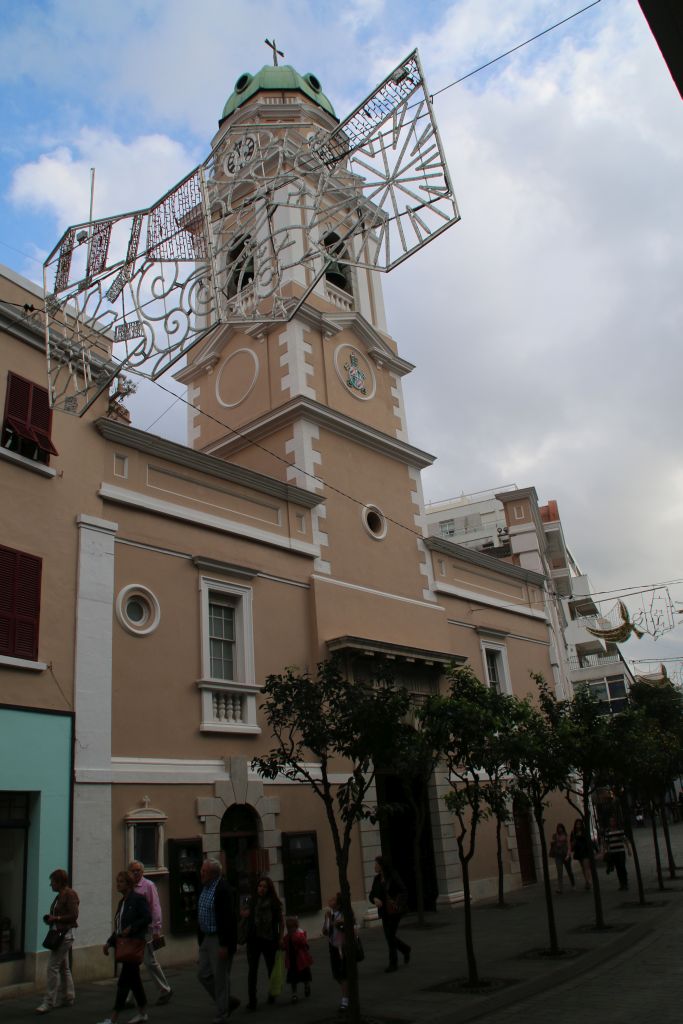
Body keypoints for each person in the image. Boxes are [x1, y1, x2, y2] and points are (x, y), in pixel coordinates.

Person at [98, 869, 151, 1024]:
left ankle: (113, 1019)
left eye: (121, 882)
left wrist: (132, 928)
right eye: (117, 881)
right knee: (135, 981)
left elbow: (147, 917)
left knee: (123, 982)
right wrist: (109, 942)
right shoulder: (122, 902)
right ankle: (142, 1012)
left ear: (129, 884)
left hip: (133, 945)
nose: (118, 884)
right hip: (124, 945)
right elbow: (119, 928)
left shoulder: (138, 899)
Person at [197, 858, 240, 1024]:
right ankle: (227, 1001)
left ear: (213, 874)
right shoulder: (204, 887)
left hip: (219, 937)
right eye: (202, 870)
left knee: (220, 977)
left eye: (204, 871)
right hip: (206, 936)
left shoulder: (223, 889)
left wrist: (224, 944)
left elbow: (228, 919)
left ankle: (223, 1012)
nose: (201, 873)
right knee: (203, 974)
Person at [35, 868, 80, 1014]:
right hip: (60, 933)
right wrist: (52, 919)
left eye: (52, 882)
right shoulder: (60, 896)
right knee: (63, 967)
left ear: (59, 882)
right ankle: (68, 996)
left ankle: (48, 1001)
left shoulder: (69, 894)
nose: (50, 885)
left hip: (65, 935)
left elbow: (74, 915)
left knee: (52, 967)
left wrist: (57, 918)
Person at [128, 860, 172, 1005]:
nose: (136, 873)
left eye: (138, 870)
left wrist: (156, 929)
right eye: (133, 870)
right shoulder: (130, 887)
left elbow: (155, 907)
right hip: (133, 930)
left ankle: (165, 989)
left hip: (146, 929)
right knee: (131, 963)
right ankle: (128, 997)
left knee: (149, 961)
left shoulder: (148, 885)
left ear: (142, 872)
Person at [240, 876, 284, 1011]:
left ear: (269, 889)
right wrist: (244, 913)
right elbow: (243, 912)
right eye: (260, 886)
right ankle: (252, 1000)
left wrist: (280, 938)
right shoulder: (252, 901)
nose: (262, 889)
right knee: (252, 970)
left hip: (269, 939)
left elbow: (280, 922)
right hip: (253, 939)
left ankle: (272, 993)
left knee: (271, 968)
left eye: (265, 886)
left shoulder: (274, 903)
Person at [369, 856, 411, 973]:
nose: (374, 866)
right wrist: (374, 899)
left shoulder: (393, 876)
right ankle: (405, 949)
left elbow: (403, 890)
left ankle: (393, 963)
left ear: (382, 866)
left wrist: (397, 902)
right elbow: (371, 895)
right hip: (384, 912)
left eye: (376, 864)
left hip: (394, 911)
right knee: (389, 936)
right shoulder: (377, 879)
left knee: (390, 936)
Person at [322, 893, 353, 1014]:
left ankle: (345, 1000)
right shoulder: (329, 914)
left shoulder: (343, 915)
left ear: (339, 904)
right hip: (333, 946)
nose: (330, 899)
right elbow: (325, 931)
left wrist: (335, 922)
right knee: (336, 974)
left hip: (342, 947)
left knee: (343, 973)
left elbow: (345, 928)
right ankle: (348, 990)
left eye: (334, 899)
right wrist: (327, 920)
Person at [283, 914, 312, 1003]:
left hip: (301, 960)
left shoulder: (299, 935)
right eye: (288, 928)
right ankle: (294, 993)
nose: (290, 930)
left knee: (305, 976)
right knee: (293, 979)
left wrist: (295, 937)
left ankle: (306, 986)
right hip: (292, 961)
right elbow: (285, 946)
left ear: (296, 927)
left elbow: (304, 944)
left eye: (291, 927)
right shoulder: (287, 937)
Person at [603, 815, 632, 891]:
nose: (612, 822)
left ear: (616, 822)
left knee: (622, 866)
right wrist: (605, 851)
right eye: (610, 821)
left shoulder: (620, 830)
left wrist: (629, 849)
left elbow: (625, 840)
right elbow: (606, 842)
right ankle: (621, 883)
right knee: (618, 868)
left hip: (620, 851)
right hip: (613, 851)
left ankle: (625, 883)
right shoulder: (608, 831)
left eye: (613, 821)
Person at [549, 823, 575, 893]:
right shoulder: (555, 836)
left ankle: (573, 884)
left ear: (563, 829)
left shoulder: (566, 836)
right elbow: (553, 842)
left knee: (569, 871)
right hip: (558, 855)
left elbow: (569, 846)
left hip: (565, 855)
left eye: (561, 828)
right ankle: (560, 888)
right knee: (559, 872)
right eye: (558, 828)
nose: (559, 829)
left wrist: (568, 855)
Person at [570, 818, 592, 890]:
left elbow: (588, 840)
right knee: (583, 867)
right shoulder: (573, 832)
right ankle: (587, 881)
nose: (578, 825)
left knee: (586, 867)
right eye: (577, 824)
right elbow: (571, 842)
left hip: (585, 851)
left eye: (579, 824)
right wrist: (574, 842)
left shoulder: (584, 831)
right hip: (578, 851)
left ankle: (589, 881)